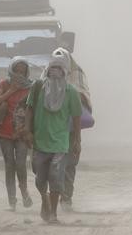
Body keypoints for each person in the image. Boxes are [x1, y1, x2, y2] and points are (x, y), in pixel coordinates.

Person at [23, 55, 82, 224]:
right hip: (40, 142)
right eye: (52, 69)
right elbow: (29, 109)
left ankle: (53, 213)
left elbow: (77, 118)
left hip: (61, 143)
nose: (55, 72)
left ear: (64, 73)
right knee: (40, 178)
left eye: (59, 69)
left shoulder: (71, 92)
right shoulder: (38, 87)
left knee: (56, 176)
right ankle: (44, 199)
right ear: (47, 71)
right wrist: (27, 130)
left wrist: (77, 141)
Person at [50, 47, 93, 211]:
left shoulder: (77, 74)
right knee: (53, 165)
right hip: (52, 129)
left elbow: (83, 98)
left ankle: (66, 198)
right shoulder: (45, 78)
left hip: (71, 129)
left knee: (70, 164)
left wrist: (68, 92)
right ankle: (54, 197)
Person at [0, 57, 34, 211]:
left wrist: (29, 131)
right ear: (12, 69)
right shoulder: (4, 84)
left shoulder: (31, 87)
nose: (20, 73)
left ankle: (24, 192)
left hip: (22, 132)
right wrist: (11, 91)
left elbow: (34, 109)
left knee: (21, 164)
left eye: (23, 70)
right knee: (9, 165)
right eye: (17, 70)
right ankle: (12, 201)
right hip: (5, 133)